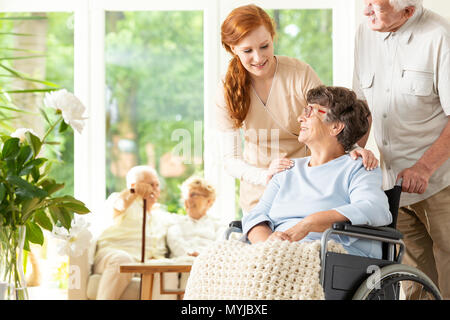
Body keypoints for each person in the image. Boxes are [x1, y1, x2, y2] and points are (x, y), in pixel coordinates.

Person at [216, 4, 378, 215]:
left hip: (307, 189)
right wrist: (265, 175)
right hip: (259, 194)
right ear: (232, 49)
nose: (258, 58)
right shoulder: (226, 90)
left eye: (264, 46)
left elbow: (330, 120)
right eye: (247, 51)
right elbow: (230, 160)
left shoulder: (298, 73)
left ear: (273, 38)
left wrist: (355, 150)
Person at [353, 0, 450, 297]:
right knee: (415, 283)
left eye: (376, 6)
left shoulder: (439, 35)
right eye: (365, 2)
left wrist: (424, 167)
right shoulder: (365, 32)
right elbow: (362, 107)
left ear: (407, 11)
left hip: (440, 183)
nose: (366, 11)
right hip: (393, 184)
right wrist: (354, 150)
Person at [242, 86, 392, 258]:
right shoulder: (287, 170)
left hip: (328, 256)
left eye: (309, 112)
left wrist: (308, 224)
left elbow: (374, 208)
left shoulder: (357, 167)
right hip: (275, 255)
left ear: (335, 126)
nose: (300, 118)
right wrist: (269, 246)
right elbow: (256, 216)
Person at [93, 165, 176, 300]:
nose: (154, 189)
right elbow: (119, 204)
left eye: (157, 185)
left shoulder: (163, 216)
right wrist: (133, 192)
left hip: (147, 265)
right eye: (150, 185)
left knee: (166, 268)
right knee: (122, 260)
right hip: (115, 257)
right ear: (133, 185)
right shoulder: (120, 200)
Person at [167, 176, 226, 258]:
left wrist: (202, 256)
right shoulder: (175, 222)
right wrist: (191, 255)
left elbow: (220, 246)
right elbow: (175, 242)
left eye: (193, 195)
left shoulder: (218, 225)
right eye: (185, 196)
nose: (187, 200)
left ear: (209, 201)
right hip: (181, 265)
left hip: (208, 265)